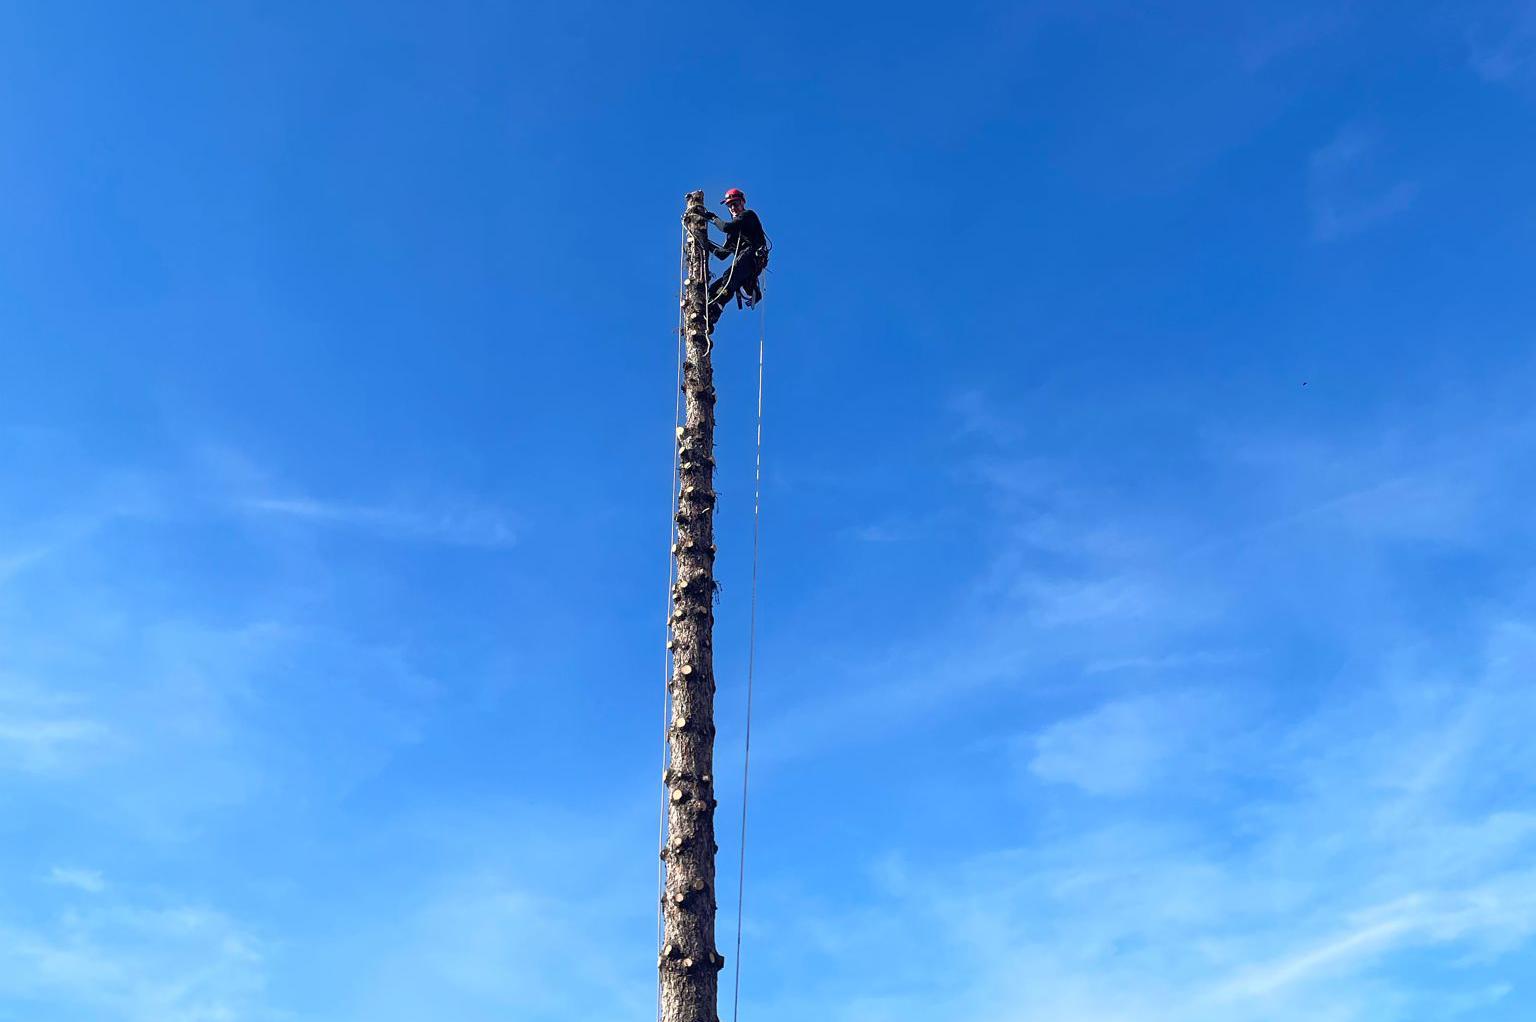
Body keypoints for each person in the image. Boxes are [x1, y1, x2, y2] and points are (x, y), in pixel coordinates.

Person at [702, 188, 769, 329]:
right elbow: (722, 254)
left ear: (742, 203)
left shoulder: (748, 216)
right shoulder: (733, 235)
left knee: (729, 278)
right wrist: (704, 243)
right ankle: (710, 316)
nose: (733, 208)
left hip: (751, 256)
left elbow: (726, 227)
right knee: (714, 288)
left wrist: (713, 218)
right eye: (730, 205)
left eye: (735, 204)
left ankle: (746, 290)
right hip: (744, 260)